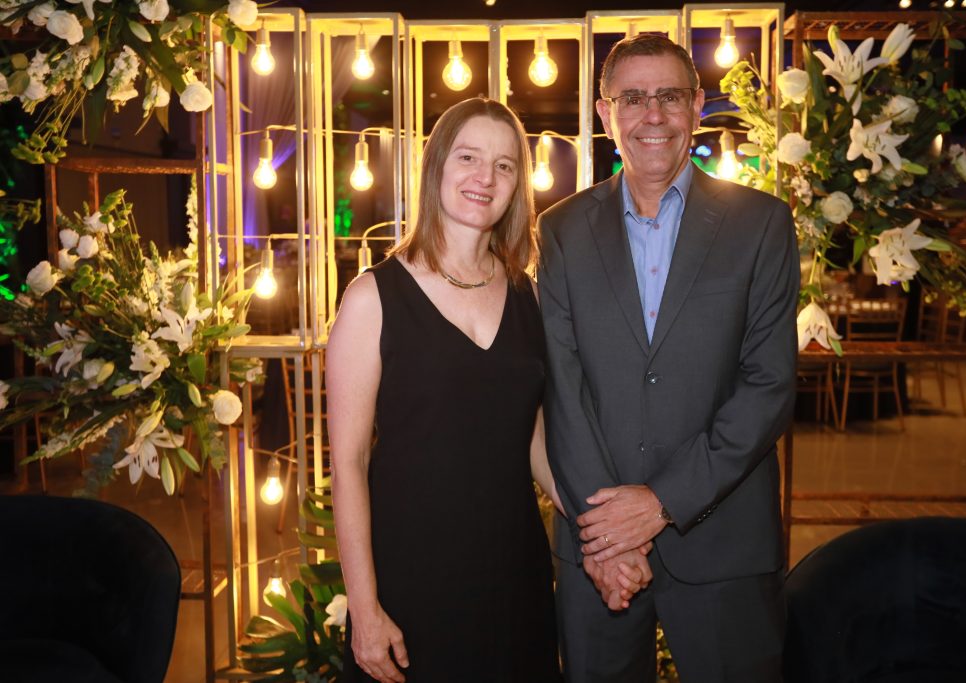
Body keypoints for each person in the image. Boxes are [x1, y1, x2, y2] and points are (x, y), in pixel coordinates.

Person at [537, 34, 799, 683]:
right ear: (606, 114)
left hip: (726, 547)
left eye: (669, 96)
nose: (652, 114)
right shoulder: (561, 230)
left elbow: (768, 387)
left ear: (697, 106)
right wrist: (606, 535)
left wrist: (661, 502)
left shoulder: (761, 224)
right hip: (596, 555)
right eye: (632, 98)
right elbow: (562, 388)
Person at [326, 97, 567, 683]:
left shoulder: (528, 295)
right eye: (468, 157)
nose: (486, 177)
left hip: (514, 576)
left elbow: (531, 437)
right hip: (412, 580)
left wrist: (599, 523)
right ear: (436, 165)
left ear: (518, 186)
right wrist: (365, 609)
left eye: (504, 165)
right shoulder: (372, 298)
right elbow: (349, 463)